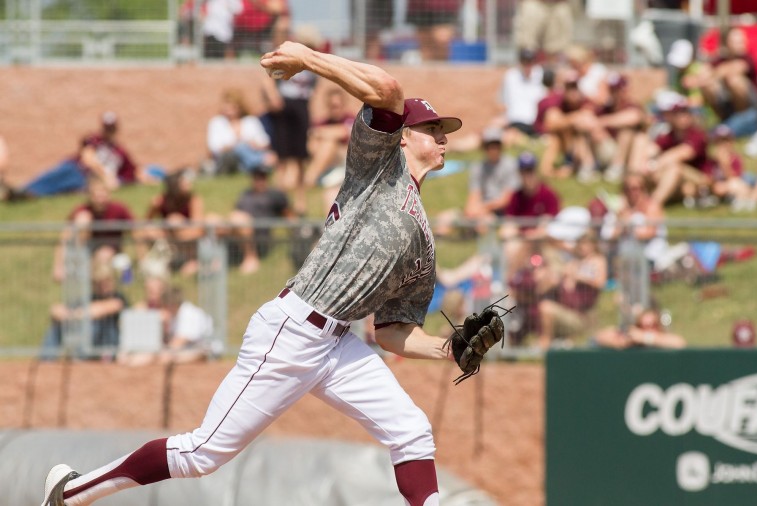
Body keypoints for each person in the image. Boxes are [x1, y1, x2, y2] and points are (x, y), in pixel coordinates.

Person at [42, 40, 465, 506]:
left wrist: (452, 348)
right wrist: (306, 59)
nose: (442, 136)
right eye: (431, 127)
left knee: (411, 430)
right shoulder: (377, 168)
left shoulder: (423, 237)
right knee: (201, 454)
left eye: (443, 130)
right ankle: (71, 492)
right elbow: (385, 88)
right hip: (292, 331)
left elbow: (391, 331)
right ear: (403, 136)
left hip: (340, 342)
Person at [18, 112, 145, 199]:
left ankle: (27, 194)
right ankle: (22, 191)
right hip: (77, 169)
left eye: (111, 128)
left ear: (117, 128)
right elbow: (87, 158)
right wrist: (105, 175)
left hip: (89, 182)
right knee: (53, 176)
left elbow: (134, 172)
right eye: (107, 128)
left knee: (58, 188)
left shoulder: (121, 151)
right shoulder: (95, 140)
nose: (109, 131)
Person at [260, 31, 320, 215]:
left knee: (300, 156)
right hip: (285, 104)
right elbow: (268, 77)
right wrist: (274, 97)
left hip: (302, 106)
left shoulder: (315, 66)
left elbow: (313, 92)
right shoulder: (287, 59)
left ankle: (300, 200)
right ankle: (279, 198)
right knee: (282, 154)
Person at [207, 164, 293, 274]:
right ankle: (214, 260)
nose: (260, 180)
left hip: (259, 234)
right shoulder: (245, 194)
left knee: (240, 220)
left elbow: (289, 216)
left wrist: (294, 235)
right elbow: (235, 212)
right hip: (237, 227)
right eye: (257, 177)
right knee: (212, 219)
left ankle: (251, 258)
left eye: (263, 176)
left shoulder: (275, 195)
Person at [435, 128, 520, 236]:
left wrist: (483, 208)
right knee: (444, 218)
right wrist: (470, 211)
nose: (493, 149)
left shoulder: (510, 165)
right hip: (481, 208)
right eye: (489, 146)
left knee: (484, 224)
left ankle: (472, 235)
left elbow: (506, 199)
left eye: (496, 145)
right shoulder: (478, 167)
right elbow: (474, 194)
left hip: (499, 212)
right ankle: (440, 243)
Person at [40, 260, 129, 361]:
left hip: (107, 344)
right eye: (99, 282)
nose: (104, 286)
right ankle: (46, 360)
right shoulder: (89, 298)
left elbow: (102, 309)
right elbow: (55, 310)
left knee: (92, 324)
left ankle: (80, 357)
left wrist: (75, 315)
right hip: (84, 338)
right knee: (57, 325)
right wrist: (70, 315)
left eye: (107, 281)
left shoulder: (118, 297)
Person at [52, 177, 135, 283]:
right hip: (88, 252)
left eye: (103, 194)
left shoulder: (119, 209)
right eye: (96, 195)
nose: (100, 199)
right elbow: (64, 237)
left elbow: (136, 230)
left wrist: (142, 260)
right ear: (90, 196)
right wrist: (58, 266)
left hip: (111, 253)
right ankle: (79, 265)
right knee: (83, 219)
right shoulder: (82, 211)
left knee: (106, 255)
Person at [536, 232, 607, 349]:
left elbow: (600, 282)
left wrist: (578, 277)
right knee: (544, 306)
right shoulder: (573, 263)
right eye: (581, 244)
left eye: (587, 244)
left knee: (546, 307)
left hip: (582, 317)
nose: (583, 247)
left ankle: (544, 347)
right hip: (568, 310)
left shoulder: (598, 260)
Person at [118, 283, 213, 367]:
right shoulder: (176, 314)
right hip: (185, 350)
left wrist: (157, 352)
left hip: (201, 352)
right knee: (156, 355)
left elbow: (177, 343)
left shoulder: (190, 314)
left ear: (171, 304)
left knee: (164, 357)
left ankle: (130, 367)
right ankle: (130, 365)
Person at [499, 151, 561, 277]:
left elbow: (545, 229)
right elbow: (507, 227)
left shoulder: (548, 195)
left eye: (530, 171)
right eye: (524, 172)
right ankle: (509, 282)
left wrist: (525, 236)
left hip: (544, 244)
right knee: (509, 244)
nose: (528, 176)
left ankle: (509, 279)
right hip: (522, 242)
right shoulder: (516, 196)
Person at [136, 168, 206, 277]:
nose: (188, 183)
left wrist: (180, 225)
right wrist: (159, 232)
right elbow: (145, 222)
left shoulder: (193, 200)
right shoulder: (160, 200)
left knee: (175, 220)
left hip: (189, 240)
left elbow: (198, 228)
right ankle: (143, 264)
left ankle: (192, 261)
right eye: (184, 181)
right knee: (143, 232)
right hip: (168, 238)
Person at [206, 88, 276, 175]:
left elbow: (265, 142)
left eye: (232, 106)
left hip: (250, 154)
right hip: (228, 159)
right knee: (240, 148)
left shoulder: (250, 121)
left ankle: (254, 165)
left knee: (246, 148)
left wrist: (253, 145)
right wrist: (234, 145)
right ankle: (258, 163)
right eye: (226, 106)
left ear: (239, 106)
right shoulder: (217, 123)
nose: (229, 109)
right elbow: (214, 148)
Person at [304, 87, 356, 187]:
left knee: (329, 142)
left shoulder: (351, 119)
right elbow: (311, 143)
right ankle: (313, 177)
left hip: (346, 160)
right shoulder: (322, 122)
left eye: (337, 106)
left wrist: (320, 133)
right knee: (320, 142)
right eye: (332, 106)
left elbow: (343, 132)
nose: (335, 109)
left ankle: (310, 178)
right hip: (326, 160)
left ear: (343, 104)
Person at [594, 307, 686, 349]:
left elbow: (679, 343)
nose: (648, 329)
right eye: (644, 326)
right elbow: (599, 337)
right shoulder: (633, 338)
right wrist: (622, 341)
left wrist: (645, 338)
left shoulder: (661, 340)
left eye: (652, 325)